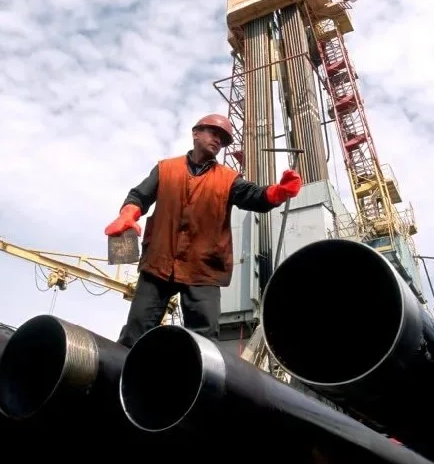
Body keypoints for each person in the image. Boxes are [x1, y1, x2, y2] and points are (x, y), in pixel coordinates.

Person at [104, 113, 302, 348]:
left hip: (203, 268)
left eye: (224, 139)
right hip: (159, 262)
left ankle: (198, 383)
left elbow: (253, 196)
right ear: (195, 133)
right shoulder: (166, 169)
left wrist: (277, 192)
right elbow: (139, 195)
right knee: (135, 332)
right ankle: (123, 380)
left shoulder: (228, 179)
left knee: (204, 342)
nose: (218, 140)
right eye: (213, 133)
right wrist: (128, 214)